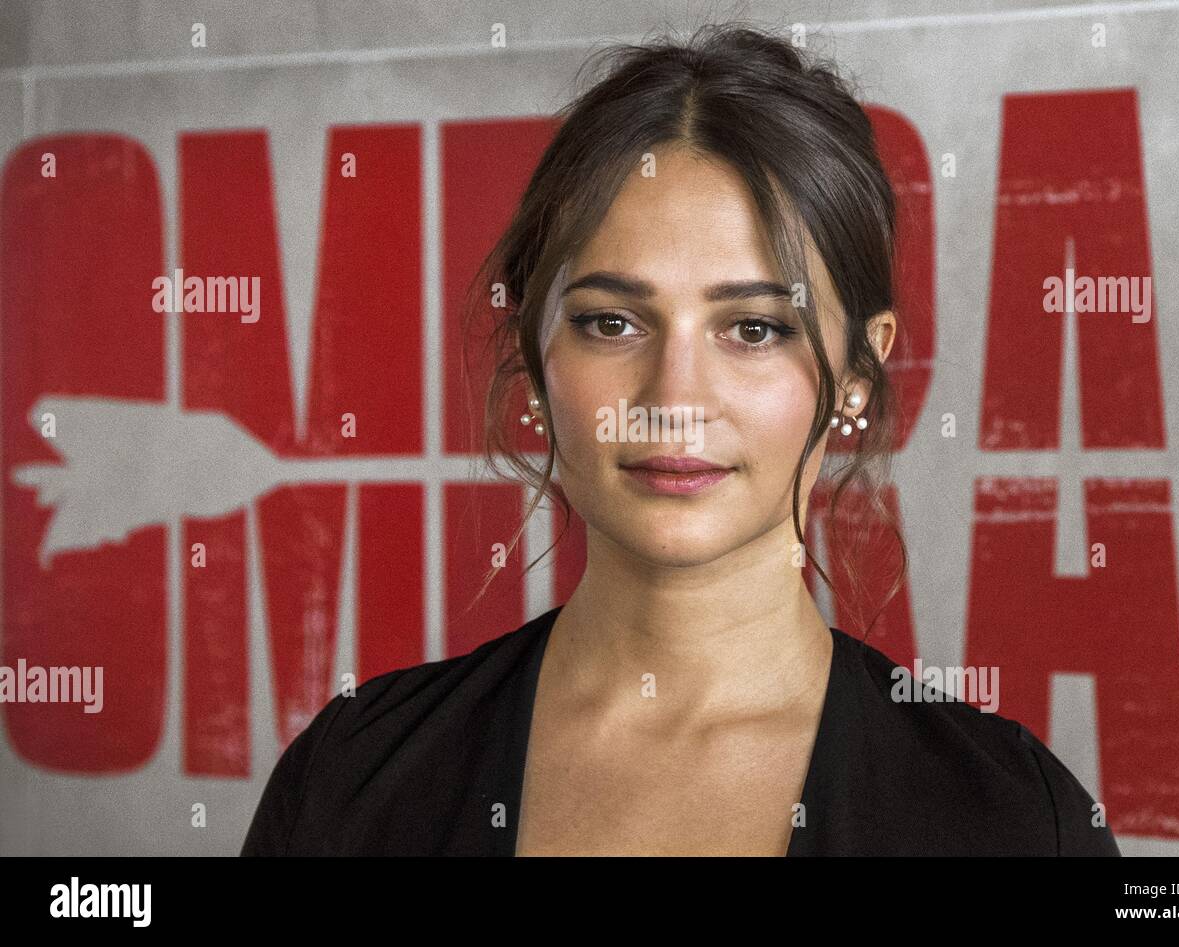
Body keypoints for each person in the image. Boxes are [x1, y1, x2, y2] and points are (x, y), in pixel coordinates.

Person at [241, 23, 1121, 857]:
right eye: (613, 322)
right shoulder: (353, 782)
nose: (675, 397)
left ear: (857, 371)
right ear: (533, 361)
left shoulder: (1014, 822)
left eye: (754, 329)